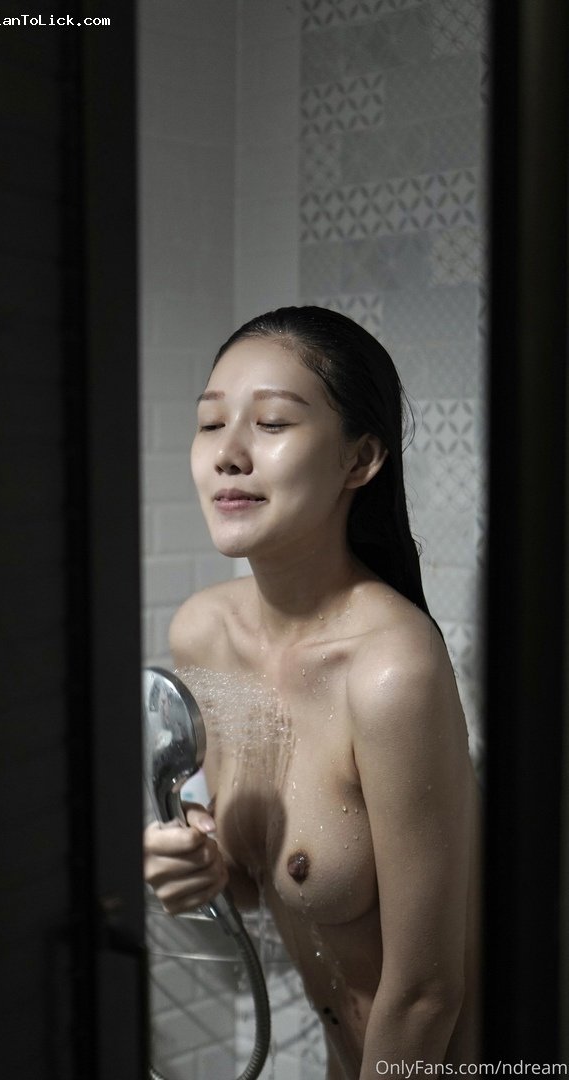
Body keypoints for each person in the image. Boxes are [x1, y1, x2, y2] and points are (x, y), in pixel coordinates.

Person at [144, 306, 481, 1079]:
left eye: (270, 423)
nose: (227, 454)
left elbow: (426, 994)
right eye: (209, 423)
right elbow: (259, 883)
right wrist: (198, 864)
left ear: (359, 459)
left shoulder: (391, 671)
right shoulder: (204, 633)